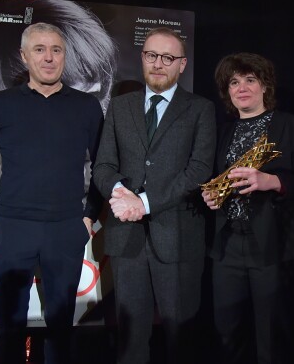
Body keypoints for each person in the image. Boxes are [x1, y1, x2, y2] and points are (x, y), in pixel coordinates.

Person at [0, 22, 104, 364]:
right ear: (25, 56)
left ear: (64, 56)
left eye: (56, 50)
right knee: (8, 333)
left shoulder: (86, 106)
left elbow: (105, 167)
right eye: (39, 49)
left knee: (59, 333)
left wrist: (87, 218)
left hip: (64, 230)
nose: (49, 58)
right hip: (11, 231)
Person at [92, 26, 216, 364]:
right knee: (130, 341)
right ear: (142, 59)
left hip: (178, 238)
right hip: (126, 240)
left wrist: (143, 203)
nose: (158, 64)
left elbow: (199, 170)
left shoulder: (200, 109)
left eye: (167, 57)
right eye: (151, 56)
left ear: (182, 64)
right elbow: (103, 165)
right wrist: (120, 194)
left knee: (181, 340)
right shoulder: (119, 107)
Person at [202, 52, 294, 364]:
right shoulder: (221, 131)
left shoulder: (293, 127)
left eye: (250, 80)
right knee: (227, 334)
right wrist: (210, 197)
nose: (242, 87)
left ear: (265, 85)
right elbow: (214, 181)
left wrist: (274, 182)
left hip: (274, 244)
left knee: (272, 339)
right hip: (226, 246)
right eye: (234, 82)